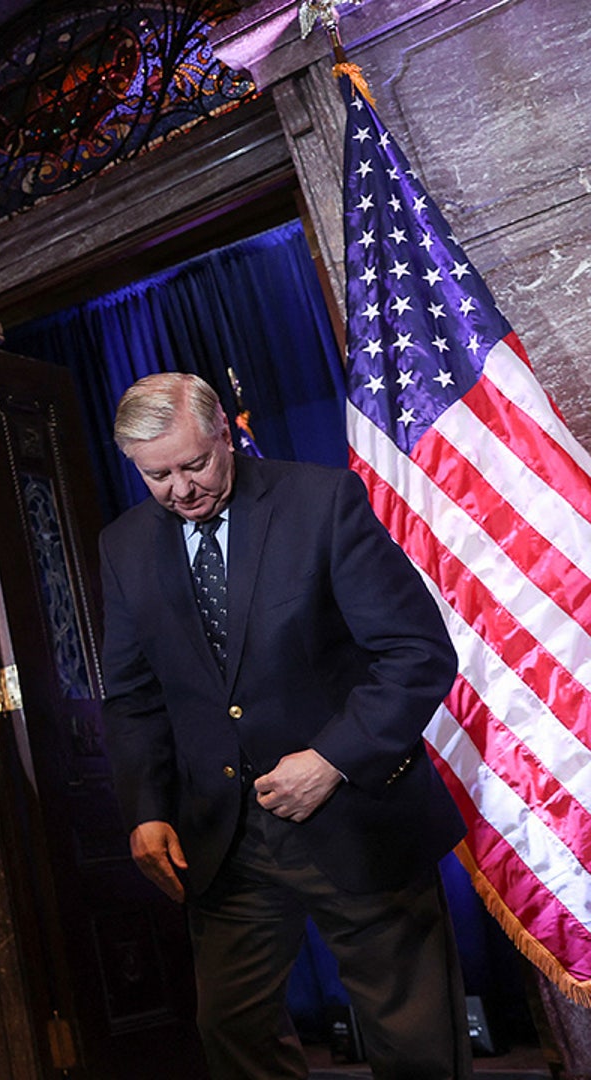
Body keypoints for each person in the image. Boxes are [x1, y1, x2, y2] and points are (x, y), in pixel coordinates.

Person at [98, 372, 469, 1080]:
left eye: (194, 464)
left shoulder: (321, 501)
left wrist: (331, 758)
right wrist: (147, 811)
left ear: (223, 436)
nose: (180, 489)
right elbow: (134, 696)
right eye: (157, 476)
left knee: (412, 1037)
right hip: (223, 837)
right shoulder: (122, 546)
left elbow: (416, 653)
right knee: (231, 1031)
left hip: (353, 813)